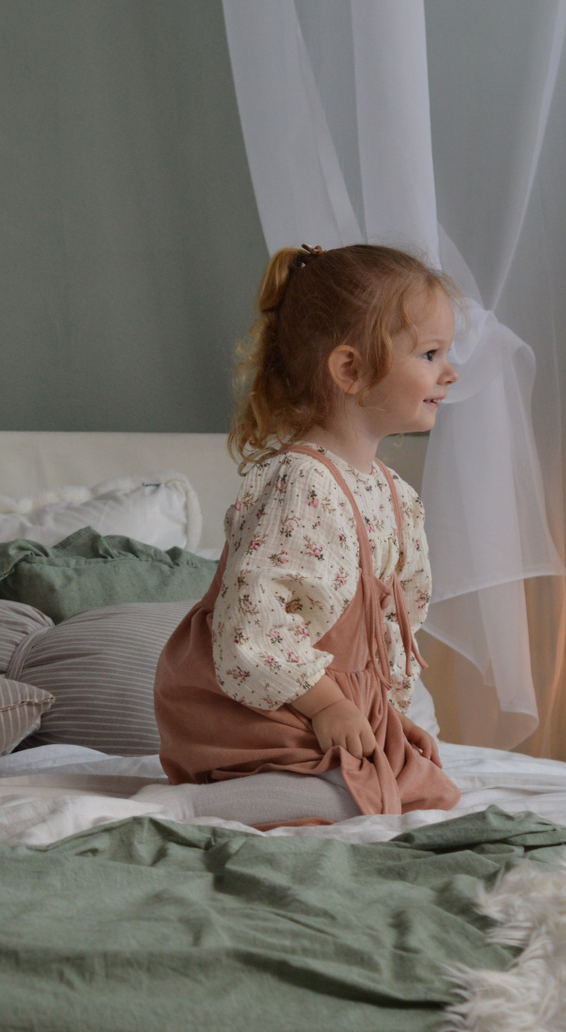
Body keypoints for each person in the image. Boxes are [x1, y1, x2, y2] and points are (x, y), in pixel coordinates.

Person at [150, 243, 463, 828]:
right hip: (262, 708)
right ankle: (191, 803)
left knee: (431, 793)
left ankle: (332, 781)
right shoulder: (300, 481)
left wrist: (390, 715)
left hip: (342, 706)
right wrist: (326, 706)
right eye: (430, 354)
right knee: (352, 799)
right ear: (350, 369)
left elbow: (389, 630)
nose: (450, 372)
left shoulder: (394, 495)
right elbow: (252, 624)